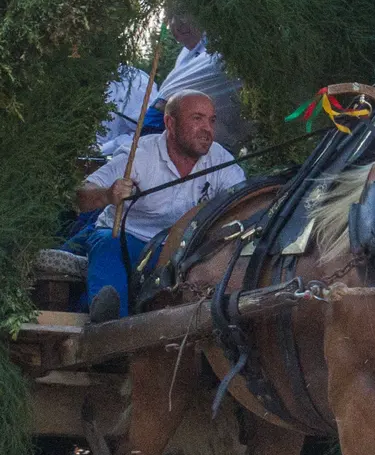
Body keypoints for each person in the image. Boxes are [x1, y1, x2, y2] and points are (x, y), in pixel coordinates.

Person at [71, 90, 245, 322]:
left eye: (211, 120)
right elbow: (82, 195)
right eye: (197, 119)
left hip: (184, 250)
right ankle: (110, 330)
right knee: (106, 243)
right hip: (127, 240)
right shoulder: (140, 155)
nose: (207, 129)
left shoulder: (222, 161)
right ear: (170, 123)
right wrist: (107, 194)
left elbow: (242, 203)